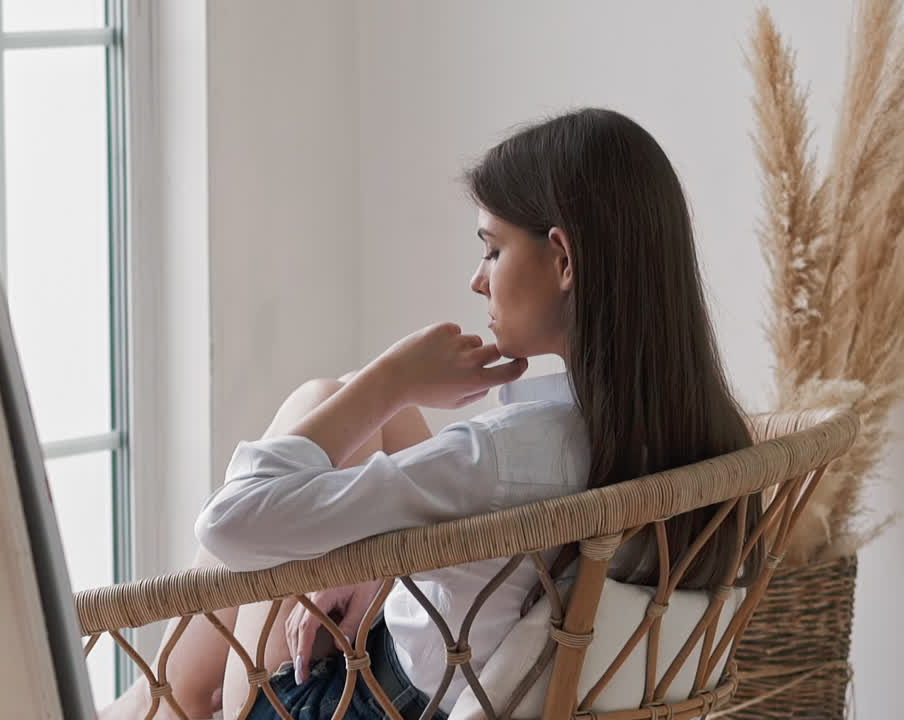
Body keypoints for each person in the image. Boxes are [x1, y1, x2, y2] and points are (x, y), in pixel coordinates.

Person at [100, 107, 760, 720]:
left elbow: (230, 524)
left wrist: (394, 380)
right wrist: (384, 573)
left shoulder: (505, 457)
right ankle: (142, 701)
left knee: (323, 402)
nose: (479, 279)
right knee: (346, 393)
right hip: (449, 653)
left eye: (492, 249)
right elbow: (483, 570)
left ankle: (160, 704)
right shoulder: (703, 434)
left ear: (562, 259)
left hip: (363, 700)